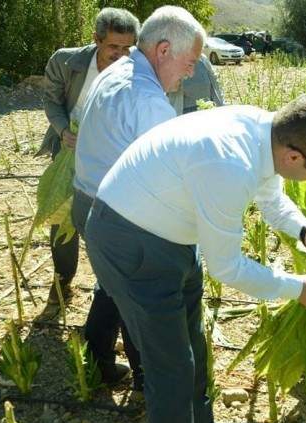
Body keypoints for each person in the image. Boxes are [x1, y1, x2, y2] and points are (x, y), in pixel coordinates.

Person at [83, 92, 306, 423]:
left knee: (194, 350)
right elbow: (227, 267)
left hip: (172, 235)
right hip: (130, 242)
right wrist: (298, 288)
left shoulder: (267, 134)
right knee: (171, 370)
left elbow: (271, 197)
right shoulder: (229, 162)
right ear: (295, 157)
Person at [73, 5, 205, 387]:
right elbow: (170, 178)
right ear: (163, 50)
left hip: (88, 198)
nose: (192, 71)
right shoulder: (148, 100)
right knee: (141, 289)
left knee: (112, 285)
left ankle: (96, 358)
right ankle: (146, 374)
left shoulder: (118, 68)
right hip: (118, 215)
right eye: (190, 61)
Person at [35, 7, 139, 323]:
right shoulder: (66, 62)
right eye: (113, 48)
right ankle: (62, 281)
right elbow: (51, 101)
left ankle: (106, 290)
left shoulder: (137, 67)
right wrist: (63, 130)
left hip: (113, 155)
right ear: (95, 40)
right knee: (60, 215)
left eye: (127, 48)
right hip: (69, 149)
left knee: (107, 222)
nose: (121, 56)